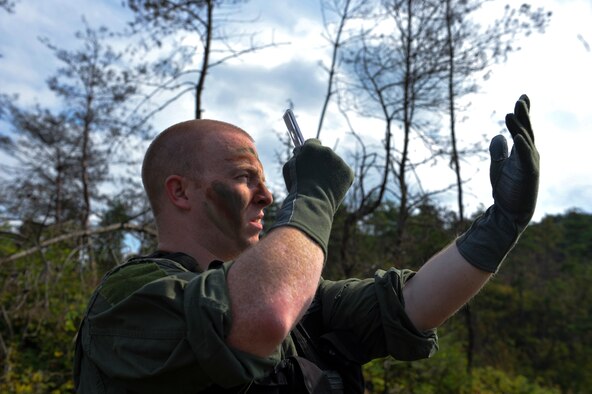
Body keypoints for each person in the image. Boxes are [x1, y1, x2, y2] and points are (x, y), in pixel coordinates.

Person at [73, 95, 539, 393]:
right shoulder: (129, 298)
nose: (268, 194)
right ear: (180, 192)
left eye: (264, 179)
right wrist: (313, 195)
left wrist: (501, 226)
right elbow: (261, 315)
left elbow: (410, 304)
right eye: (242, 177)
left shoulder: (298, 300)